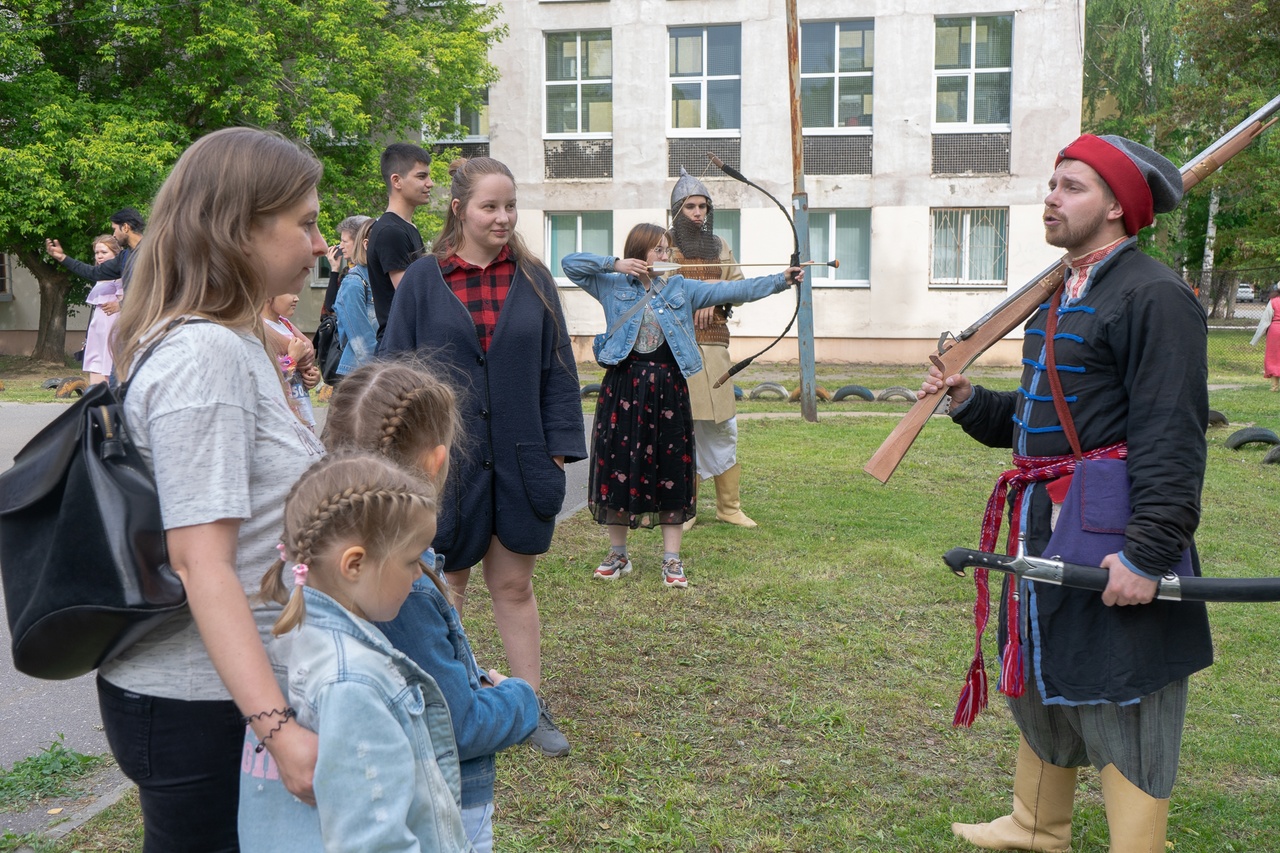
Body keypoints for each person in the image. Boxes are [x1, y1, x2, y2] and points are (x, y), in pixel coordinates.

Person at [921, 135, 1212, 852]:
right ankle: (1036, 823)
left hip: (1116, 525)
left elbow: (1172, 437)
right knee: (1042, 667)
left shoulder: (1154, 294)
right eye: (1052, 183)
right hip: (1044, 520)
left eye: (1072, 186)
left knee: (1123, 686)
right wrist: (967, 402)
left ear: (1118, 206)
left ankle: (1137, 844)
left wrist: (1147, 554)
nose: (1051, 196)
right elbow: (1039, 431)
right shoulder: (1063, 289)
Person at [105, 126, 326, 850]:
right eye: (306, 223)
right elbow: (205, 563)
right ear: (240, 228)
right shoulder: (204, 355)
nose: (320, 244)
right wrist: (278, 728)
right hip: (201, 706)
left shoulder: (234, 339)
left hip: (227, 696)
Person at [381, 156, 586, 758]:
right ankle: (450, 702)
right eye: (489, 207)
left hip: (522, 456)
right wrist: (405, 461)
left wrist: (558, 451)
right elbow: (396, 371)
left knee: (514, 584)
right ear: (459, 209)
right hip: (444, 464)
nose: (503, 218)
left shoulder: (534, 277)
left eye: (510, 206)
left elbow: (558, 371)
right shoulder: (423, 279)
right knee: (448, 583)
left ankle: (527, 704)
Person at [321, 360, 541, 852]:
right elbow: (457, 725)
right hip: (439, 803)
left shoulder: (326, 561)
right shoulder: (403, 587)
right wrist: (520, 698)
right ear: (436, 461)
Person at [243, 451, 471, 851]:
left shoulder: (290, 637)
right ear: (354, 565)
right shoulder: (353, 682)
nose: (420, 573)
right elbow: (374, 840)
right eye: (411, 559)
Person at [562, 225, 802, 588]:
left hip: (668, 389)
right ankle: (618, 553)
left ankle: (671, 560)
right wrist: (615, 264)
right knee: (617, 467)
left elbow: (734, 289)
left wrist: (782, 279)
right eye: (659, 250)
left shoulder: (682, 288)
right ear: (638, 254)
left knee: (671, 468)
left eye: (668, 250)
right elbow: (570, 264)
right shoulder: (610, 284)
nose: (667, 257)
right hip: (623, 386)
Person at [669, 168, 756, 529]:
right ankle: (685, 507)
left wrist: (716, 301)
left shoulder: (720, 247)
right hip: (678, 350)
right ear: (676, 211)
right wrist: (694, 298)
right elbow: (656, 292)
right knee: (682, 431)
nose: (698, 213)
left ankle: (728, 507)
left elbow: (738, 286)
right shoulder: (665, 247)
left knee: (723, 428)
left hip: (716, 349)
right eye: (690, 206)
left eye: (703, 206)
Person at [367, 143, 434, 341]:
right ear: (396, 181)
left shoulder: (406, 227)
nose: (430, 183)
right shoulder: (391, 232)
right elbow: (412, 297)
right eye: (421, 176)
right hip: (400, 349)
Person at [261, 292, 321, 430]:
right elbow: (272, 377)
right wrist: (293, 359)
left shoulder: (285, 324)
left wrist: (312, 377)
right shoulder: (261, 330)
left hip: (304, 414)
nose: (297, 298)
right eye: (290, 292)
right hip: (284, 421)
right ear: (269, 294)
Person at [330, 218, 378, 381]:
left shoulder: (380, 278)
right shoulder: (354, 282)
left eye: (344, 241)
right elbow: (362, 341)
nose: (340, 246)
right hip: (361, 376)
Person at [45, 207, 146, 282]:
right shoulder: (124, 257)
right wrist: (62, 257)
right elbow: (93, 272)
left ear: (125, 227)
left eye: (114, 229)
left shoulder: (155, 250)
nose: (113, 235)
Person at [80, 235, 124, 385]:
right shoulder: (100, 276)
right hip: (98, 330)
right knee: (96, 366)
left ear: (116, 254)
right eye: (97, 252)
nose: (99, 256)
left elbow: (130, 299)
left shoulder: (119, 276)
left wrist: (119, 304)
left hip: (112, 328)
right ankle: (97, 401)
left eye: (104, 252)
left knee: (108, 365)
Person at [320, 214, 372, 315]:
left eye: (344, 241)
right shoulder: (347, 271)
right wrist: (335, 269)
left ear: (359, 242)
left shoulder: (356, 277)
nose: (341, 246)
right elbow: (330, 306)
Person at [1249, 283, 1280, 391]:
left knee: (1274, 356)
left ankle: (1275, 386)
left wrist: (1255, 339)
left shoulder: (1273, 302)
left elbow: (1265, 320)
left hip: (1275, 331)